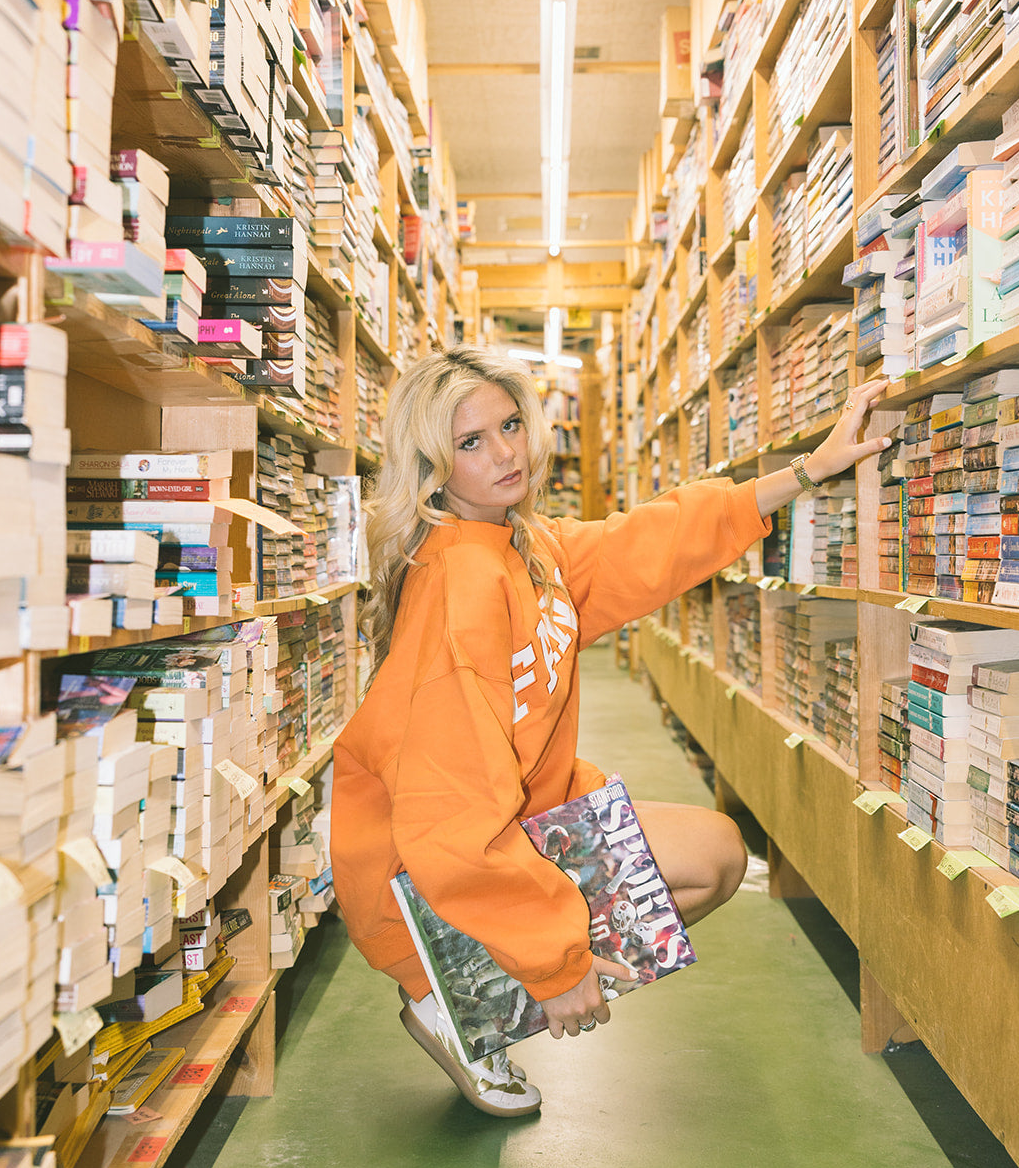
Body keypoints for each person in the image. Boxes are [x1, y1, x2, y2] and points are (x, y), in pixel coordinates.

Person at [330, 346, 889, 1117]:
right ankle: (454, 1003)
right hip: (428, 876)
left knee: (714, 855)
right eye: (470, 442)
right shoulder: (458, 585)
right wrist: (555, 964)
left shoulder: (521, 544)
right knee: (697, 868)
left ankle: (479, 996)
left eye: (511, 425)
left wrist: (806, 470)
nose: (504, 453)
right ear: (430, 465)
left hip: (512, 825)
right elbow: (449, 814)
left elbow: (644, 542)